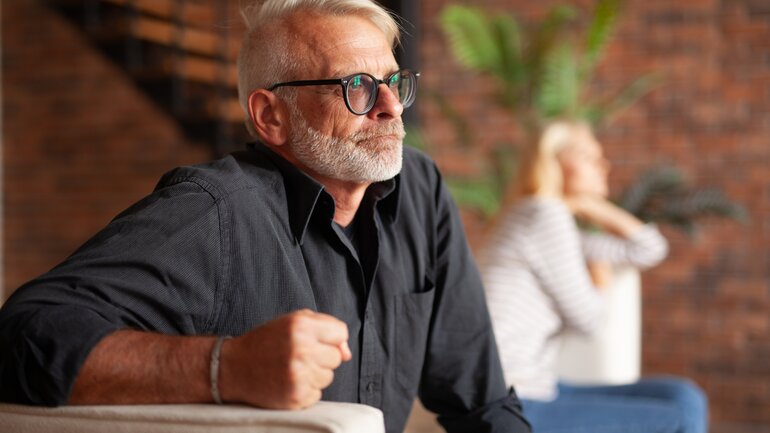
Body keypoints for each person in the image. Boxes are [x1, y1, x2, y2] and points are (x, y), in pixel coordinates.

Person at [0, 1, 531, 433]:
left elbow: (480, 406)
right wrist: (225, 368)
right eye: (357, 86)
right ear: (270, 116)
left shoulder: (420, 190)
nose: (391, 105)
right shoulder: (215, 210)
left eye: (394, 81)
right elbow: (21, 337)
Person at [477, 119, 708, 433]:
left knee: (683, 395)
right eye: (588, 157)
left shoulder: (542, 216)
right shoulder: (543, 215)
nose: (604, 165)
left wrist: (590, 206)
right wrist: (600, 281)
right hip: (509, 402)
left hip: (537, 388)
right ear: (555, 163)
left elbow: (649, 248)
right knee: (681, 418)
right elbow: (590, 321)